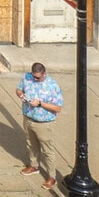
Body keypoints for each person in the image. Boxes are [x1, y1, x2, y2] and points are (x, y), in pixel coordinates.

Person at [17, 61, 64, 189]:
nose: (35, 79)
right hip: (28, 117)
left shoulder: (53, 86)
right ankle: (34, 166)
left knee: (47, 150)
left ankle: (52, 177)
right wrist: (21, 95)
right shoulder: (27, 78)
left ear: (44, 74)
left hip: (44, 123)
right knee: (31, 144)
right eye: (34, 76)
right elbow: (18, 89)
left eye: (38, 77)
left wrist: (39, 104)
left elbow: (58, 108)